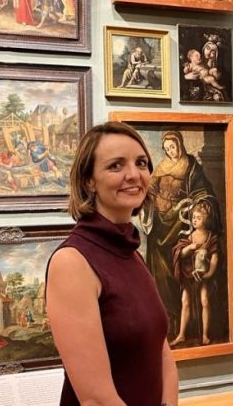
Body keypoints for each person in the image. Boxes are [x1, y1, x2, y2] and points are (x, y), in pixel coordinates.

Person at [46, 121, 178, 405]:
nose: (134, 175)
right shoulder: (72, 262)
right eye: (116, 166)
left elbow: (161, 350)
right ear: (89, 181)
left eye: (141, 163)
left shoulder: (132, 253)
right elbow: (96, 399)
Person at [145, 130, 220, 331]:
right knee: (157, 255)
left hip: (180, 221)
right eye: (167, 148)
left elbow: (202, 191)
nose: (171, 151)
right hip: (160, 222)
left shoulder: (191, 167)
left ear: (180, 144)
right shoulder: (162, 166)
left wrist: (196, 204)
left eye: (173, 146)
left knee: (177, 259)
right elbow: (151, 189)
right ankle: (166, 312)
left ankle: (182, 318)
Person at [170, 200, 220, 347]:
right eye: (193, 218)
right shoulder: (190, 236)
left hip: (203, 276)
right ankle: (181, 335)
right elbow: (181, 254)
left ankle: (205, 335)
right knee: (185, 302)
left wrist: (209, 273)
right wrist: (190, 248)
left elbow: (215, 258)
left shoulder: (210, 237)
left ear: (206, 219)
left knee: (205, 301)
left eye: (198, 218)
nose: (195, 220)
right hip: (189, 274)